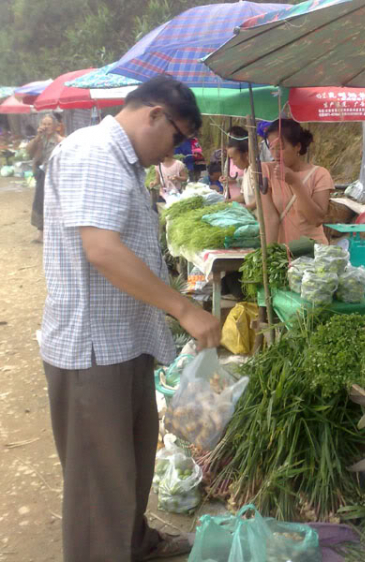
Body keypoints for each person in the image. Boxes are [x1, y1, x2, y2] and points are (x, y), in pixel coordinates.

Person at [40, 75, 221, 562]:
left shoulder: (122, 164)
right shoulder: (94, 153)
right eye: (177, 136)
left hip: (124, 342)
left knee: (132, 465)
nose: (172, 152)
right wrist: (182, 307)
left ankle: (135, 544)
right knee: (100, 480)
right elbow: (101, 249)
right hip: (92, 349)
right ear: (154, 113)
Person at [260, 119, 334, 245]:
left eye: (281, 148)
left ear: (297, 147)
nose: (276, 154)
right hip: (282, 252)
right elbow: (270, 218)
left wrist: (295, 182)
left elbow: (316, 219)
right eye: (272, 148)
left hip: (312, 252)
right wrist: (268, 256)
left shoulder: (320, 174)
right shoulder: (266, 170)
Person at [27, 114, 64, 242]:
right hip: (41, 175)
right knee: (39, 201)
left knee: (54, 203)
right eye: (44, 124)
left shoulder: (60, 140)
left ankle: (52, 232)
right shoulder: (39, 140)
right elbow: (28, 152)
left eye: (49, 124)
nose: (46, 127)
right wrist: (37, 137)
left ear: (55, 126)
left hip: (54, 176)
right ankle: (40, 232)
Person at [221, 125, 256, 210]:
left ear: (246, 154)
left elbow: (261, 198)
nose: (233, 162)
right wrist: (226, 202)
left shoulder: (255, 171)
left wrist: (246, 208)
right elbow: (243, 196)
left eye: (234, 158)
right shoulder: (246, 170)